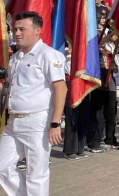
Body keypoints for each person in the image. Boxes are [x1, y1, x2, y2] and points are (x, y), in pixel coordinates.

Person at [0, 11, 67, 195]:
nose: (17, 33)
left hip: (37, 122)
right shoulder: (15, 57)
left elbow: (60, 89)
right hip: (14, 121)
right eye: (15, 29)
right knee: (2, 166)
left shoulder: (48, 55)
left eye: (22, 29)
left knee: (36, 174)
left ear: (37, 31)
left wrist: (55, 123)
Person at [87, 31, 119, 153]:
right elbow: (97, 45)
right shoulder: (94, 52)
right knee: (97, 116)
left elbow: (117, 69)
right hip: (98, 85)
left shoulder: (110, 54)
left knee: (111, 115)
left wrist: (113, 66)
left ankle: (110, 138)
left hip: (110, 87)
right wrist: (111, 32)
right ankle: (94, 141)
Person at [62, 45, 90, 160]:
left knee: (83, 117)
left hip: (84, 83)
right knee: (72, 117)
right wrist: (68, 51)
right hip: (71, 82)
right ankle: (69, 150)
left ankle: (80, 148)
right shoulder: (63, 49)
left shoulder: (87, 47)